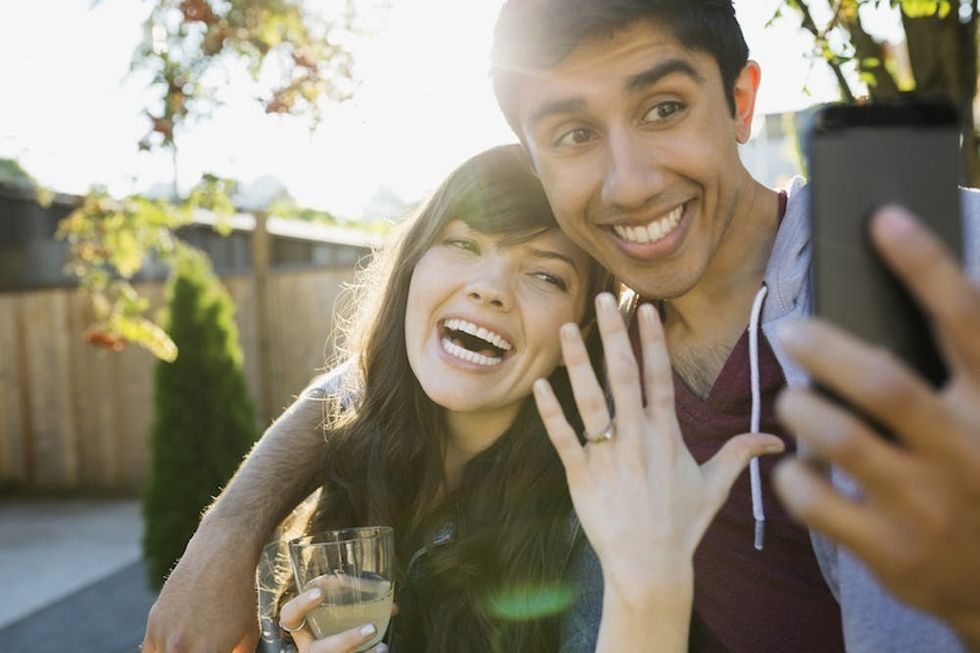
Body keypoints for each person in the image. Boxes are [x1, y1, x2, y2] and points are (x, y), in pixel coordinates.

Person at [142, 3, 980, 651]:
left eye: (662, 108)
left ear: (740, 99)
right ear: (539, 162)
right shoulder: (603, 346)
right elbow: (387, 373)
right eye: (574, 133)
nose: (629, 182)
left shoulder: (927, 262)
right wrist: (230, 529)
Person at [264, 144, 781, 653]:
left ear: (575, 335)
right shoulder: (339, 478)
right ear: (411, 274)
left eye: (545, 274)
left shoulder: (591, 527)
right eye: (464, 245)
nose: (490, 288)